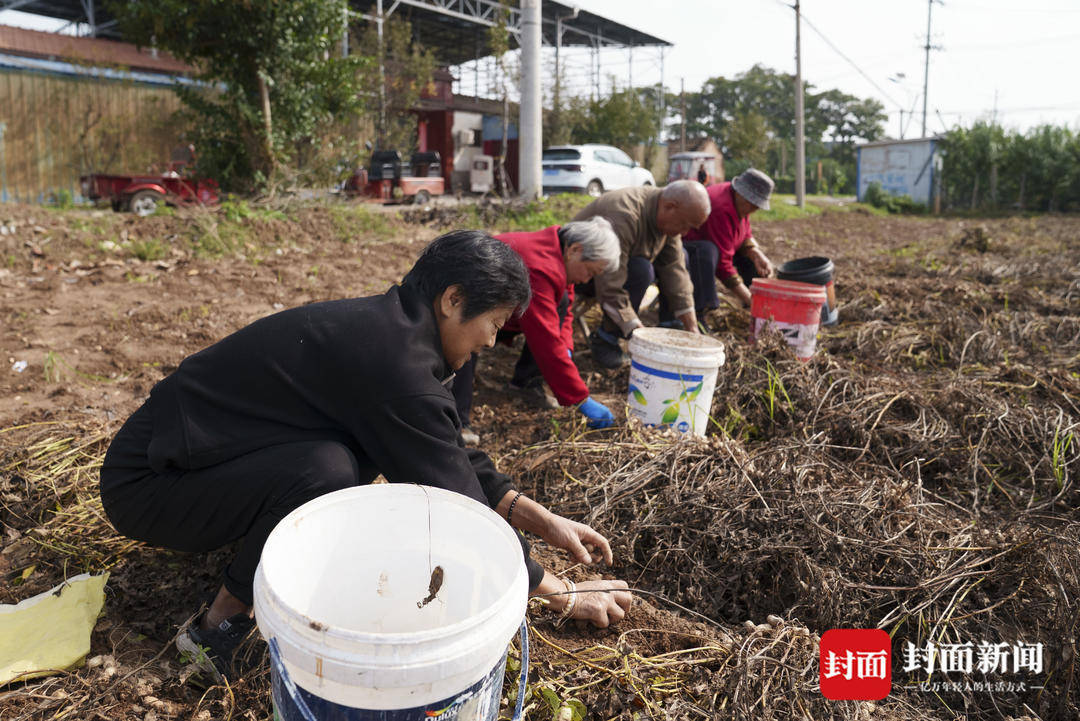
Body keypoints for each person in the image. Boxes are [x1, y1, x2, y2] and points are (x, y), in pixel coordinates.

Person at [99, 230, 633, 683]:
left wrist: (543, 520)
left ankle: (253, 557)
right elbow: (457, 500)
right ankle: (216, 629)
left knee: (348, 460)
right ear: (451, 300)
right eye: (493, 323)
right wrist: (562, 594)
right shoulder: (396, 368)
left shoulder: (394, 330)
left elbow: (440, 449)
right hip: (147, 485)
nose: (493, 342)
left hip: (181, 462)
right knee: (326, 471)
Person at [452, 218, 621, 439]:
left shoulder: (559, 251)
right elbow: (545, 341)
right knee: (465, 344)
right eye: (590, 272)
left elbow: (565, 307)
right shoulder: (540, 267)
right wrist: (580, 399)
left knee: (557, 305)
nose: (586, 279)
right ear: (576, 250)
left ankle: (527, 384)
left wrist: (566, 348)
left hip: (496, 305)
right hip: (460, 305)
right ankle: (456, 422)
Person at [572, 180, 711, 368]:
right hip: (581, 272)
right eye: (684, 225)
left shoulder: (665, 213)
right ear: (670, 207)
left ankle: (671, 327)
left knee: (681, 256)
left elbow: (674, 268)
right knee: (641, 270)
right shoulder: (625, 215)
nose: (685, 232)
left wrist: (692, 327)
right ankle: (606, 340)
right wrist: (638, 332)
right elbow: (609, 281)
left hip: (614, 271)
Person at [682, 168, 776, 317]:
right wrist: (749, 298)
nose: (755, 209)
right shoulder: (721, 208)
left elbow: (744, 231)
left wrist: (756, 253)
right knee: (707, 253)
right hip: (691, 246)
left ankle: (756, 301)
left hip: (715, 244)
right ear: (742, 194)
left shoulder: (739, 203)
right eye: (753, 204)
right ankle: (702, 310)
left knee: (751, 261)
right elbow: (723, 265)